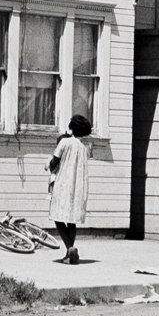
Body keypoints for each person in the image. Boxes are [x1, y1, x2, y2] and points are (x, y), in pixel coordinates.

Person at [47, 113, 93, 264]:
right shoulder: (84, 148)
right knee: (71, 219)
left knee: (57, 216)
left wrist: (49, 165)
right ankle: (70, 252)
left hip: (63, 183)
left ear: (72, 127)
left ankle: (70, 248)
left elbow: (54, 162)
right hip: (78, 185)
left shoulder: (65, 142)